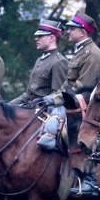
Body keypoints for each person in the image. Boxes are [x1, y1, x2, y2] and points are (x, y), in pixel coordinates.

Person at [63, 11, 100, 196]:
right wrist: (54, 97)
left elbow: (84, 88)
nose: (68, 32)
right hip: (76, 102)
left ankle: (90, 178)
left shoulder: (92, 54)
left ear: (82, 32)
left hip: (89, 106)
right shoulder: (81, 51)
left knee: (71, 132)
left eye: (72, 29)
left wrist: (58, 99)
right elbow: (69, 83)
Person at [10, 19, 69, 151]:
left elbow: (57, 96)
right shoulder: (40, 60)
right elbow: (28, 93)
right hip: (29, 108)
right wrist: (8, 105)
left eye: (40, 36)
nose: (37, 39)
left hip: (43, 113)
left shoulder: (59, 62)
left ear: (51, 38)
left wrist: (37, 104)